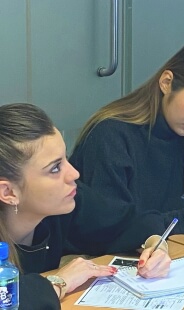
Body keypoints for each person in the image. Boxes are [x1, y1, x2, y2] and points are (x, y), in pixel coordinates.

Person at [0, 103, 172, 309]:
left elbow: (131, 223)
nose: (74, 174)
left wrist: (156, 246)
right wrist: (59, 282)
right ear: (8, 192)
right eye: (55, 168)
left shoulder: (66, 201)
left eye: (65, 158)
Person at [70, 38, 184, 238]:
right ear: (167, 83)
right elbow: (106, 228)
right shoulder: (110, 136)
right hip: (110, 257)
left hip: (180, 255)